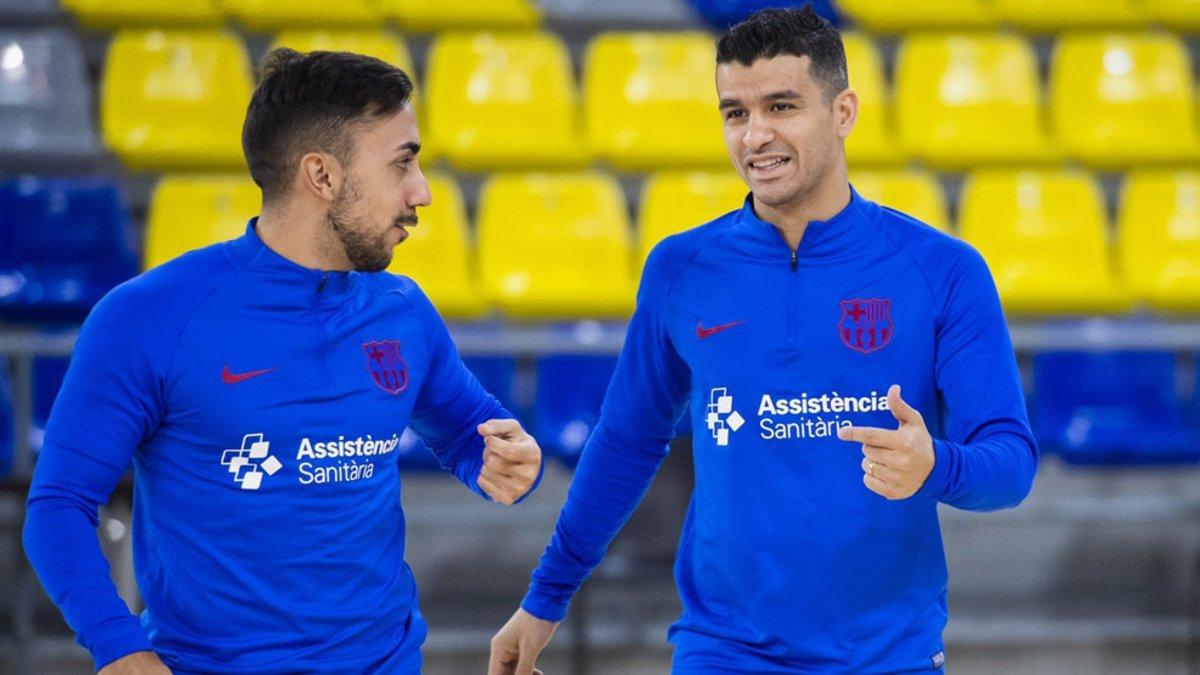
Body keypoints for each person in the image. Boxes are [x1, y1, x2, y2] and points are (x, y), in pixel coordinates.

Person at [489, 7, 1037, 674]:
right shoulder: (681, 270)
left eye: (781, 106)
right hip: (722, 650)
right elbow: (627, 442)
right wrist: (546, 596)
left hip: (886, 655)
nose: (756, 136)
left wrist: (937, 465)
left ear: (843, 112)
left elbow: (1010, 461)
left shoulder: (942, 270)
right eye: (735, 113)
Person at [23, 48, 543, 674]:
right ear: (321, 176)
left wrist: (505, 458)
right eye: (402, 163)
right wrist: (118, 647)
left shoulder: (401, 310)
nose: (423, 192)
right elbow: (59, 504)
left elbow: (468, 432)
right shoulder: (147, 318)